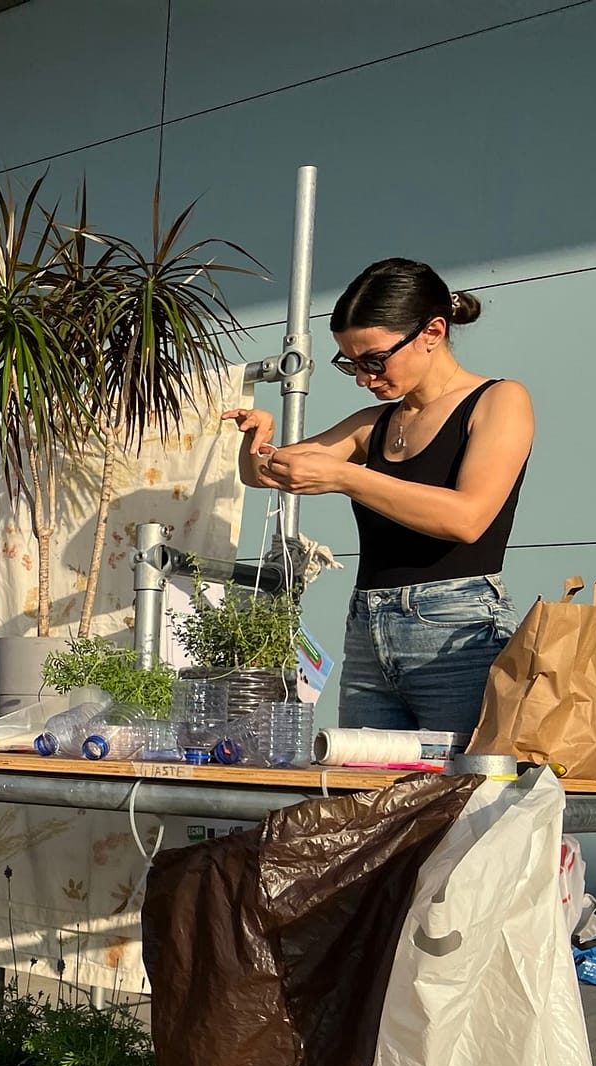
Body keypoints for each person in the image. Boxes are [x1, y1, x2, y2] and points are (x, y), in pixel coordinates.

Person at [227, 258, 535, 739]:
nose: (363, 378)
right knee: (363, 782)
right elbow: (269, 473)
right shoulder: (376, 422)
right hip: (368, 631)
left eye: (374, 360)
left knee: (460, 783)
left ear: (432, 332)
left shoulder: (499, 400)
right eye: (350, 363)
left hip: (458, 632)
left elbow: (468, 517)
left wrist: (347, 477)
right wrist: (258, 441)